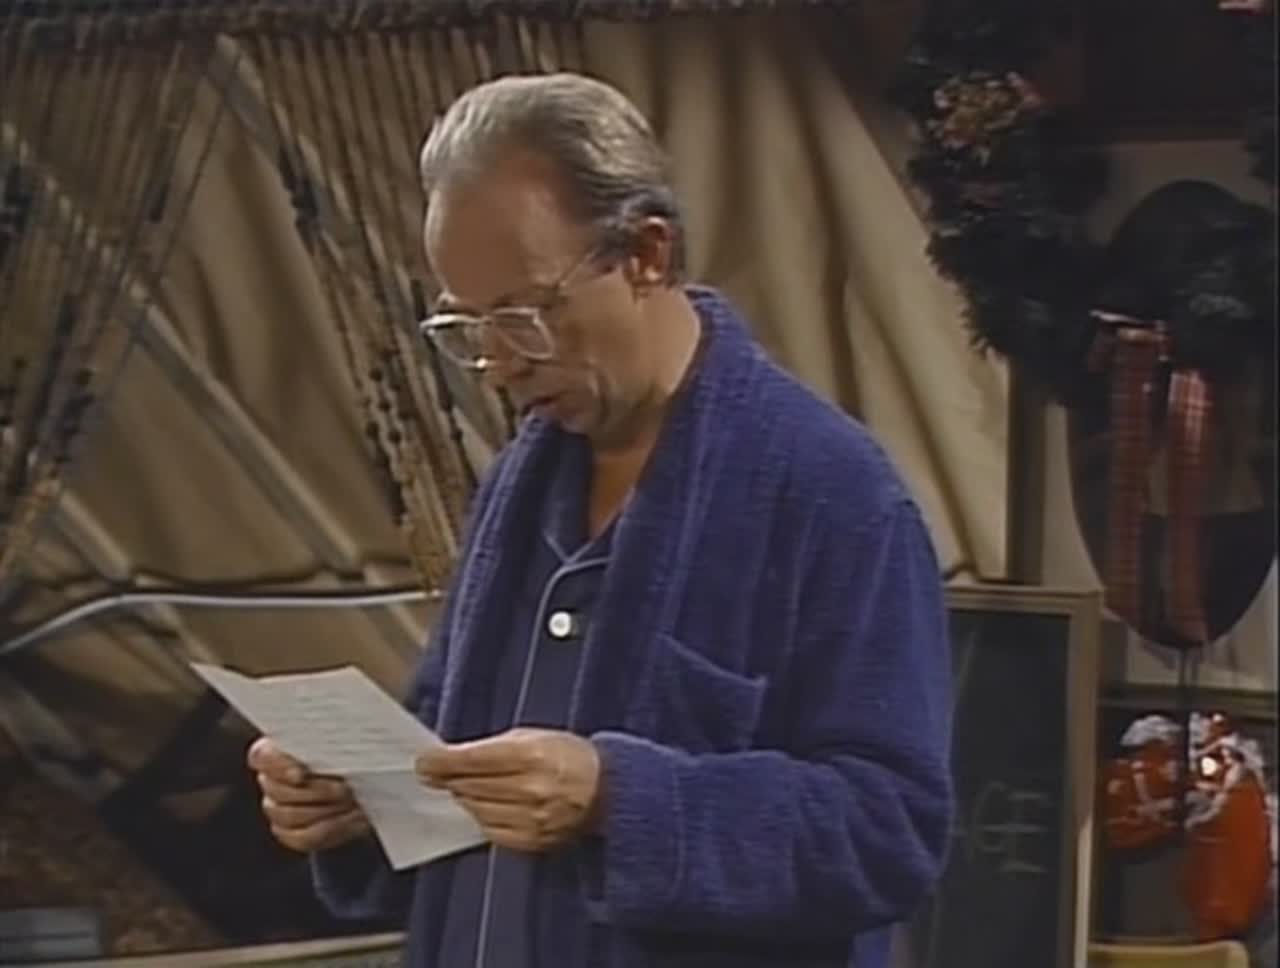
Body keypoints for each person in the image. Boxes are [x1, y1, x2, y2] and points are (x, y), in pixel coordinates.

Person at [247, 71, 953, 968]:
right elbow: (447, 745)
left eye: (524, 315)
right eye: (467, 325)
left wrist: (621, 799)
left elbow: (889, 831)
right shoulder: (520, 484)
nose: (499, 363)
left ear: (647, 253)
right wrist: (363, 799)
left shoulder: (834, 496)